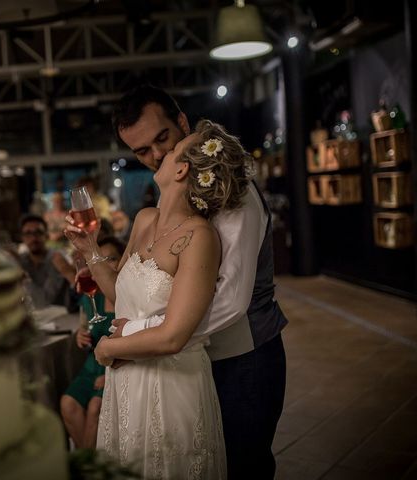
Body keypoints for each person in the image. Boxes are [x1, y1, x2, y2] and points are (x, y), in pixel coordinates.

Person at [110, 85, 287, 479]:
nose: (156, 154)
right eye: (142, 151)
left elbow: (230, 301)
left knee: (244, 467)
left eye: (161, 138)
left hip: (244, 359)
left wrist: (141, 334)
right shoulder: (169, 203)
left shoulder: (234, 193)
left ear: (183, 123)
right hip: (189, 363)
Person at [65, 120, 259, 478]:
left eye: (171, 151)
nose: (161, 156)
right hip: (127, 382)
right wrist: (89, 249)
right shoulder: (144, 220)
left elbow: (174, 336)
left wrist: (109, 349)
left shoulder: (200, 237)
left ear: (182, 169)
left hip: (170, 384)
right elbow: (118, 292)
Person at [60, 237, 126, 449]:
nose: (106, 264)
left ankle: (89, 467)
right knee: (67, 404)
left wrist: (107, 377)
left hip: (117, 364)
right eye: (100, 259)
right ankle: (90, 460)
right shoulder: (92, 296)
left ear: (124, 260)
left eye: (112, 258)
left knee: (95, 408)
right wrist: (81, 334)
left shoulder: (127, 297)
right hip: (92, 364)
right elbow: (85, 327)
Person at [18, 214, 76, 310]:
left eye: (38, 233)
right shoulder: (22, 260)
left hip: (62, 318)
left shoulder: (56, 259)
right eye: (28, 234)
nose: (33, 238)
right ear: (22, 238)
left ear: (46, 235)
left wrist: (23, 278)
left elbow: (43, 302)